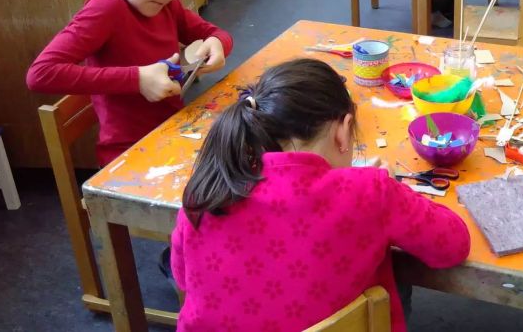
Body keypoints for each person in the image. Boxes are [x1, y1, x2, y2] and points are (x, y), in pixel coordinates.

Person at [171, 59, 471, 331]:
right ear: (343, 131)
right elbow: (453, 245)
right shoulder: (369, 190)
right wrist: (393, 189)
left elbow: (182, 278)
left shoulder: (206, 191)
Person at [26, 0, 233, 166]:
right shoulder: (106, 9)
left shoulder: (166, 4)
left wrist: (217, 43)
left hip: (173, 133)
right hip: (129, 155)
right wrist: (136, 79)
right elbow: (40, 74)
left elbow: (215, 33)